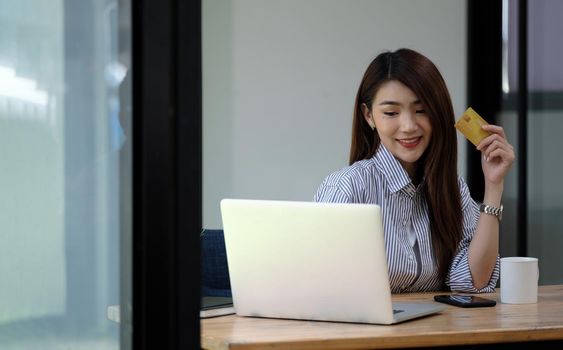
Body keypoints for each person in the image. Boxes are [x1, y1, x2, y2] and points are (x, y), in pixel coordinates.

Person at [314, 48, 515, 293]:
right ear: (369, 116)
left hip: (437, 330)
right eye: (391, 113)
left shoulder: (452, 187)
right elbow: (322, 286)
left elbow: (474, 280)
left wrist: (494, 186)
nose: (408, 126)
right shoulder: (347, 188)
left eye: (421, 110)